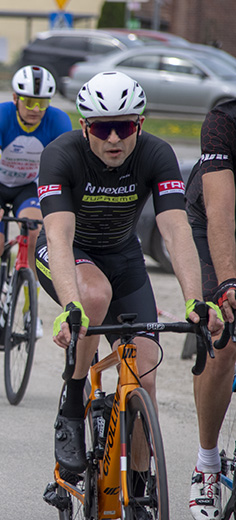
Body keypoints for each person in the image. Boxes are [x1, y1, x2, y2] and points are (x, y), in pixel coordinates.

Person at [34, 71, 222, 484]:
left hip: (124, 258)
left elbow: (175, 230)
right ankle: (72, 399)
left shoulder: (156, 153)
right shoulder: (60, 154)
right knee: (94, 295)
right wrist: (70, 306)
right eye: (103, 128)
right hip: (69, 255)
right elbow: (59, 238)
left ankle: (139, 488)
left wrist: (195, 299)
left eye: (125, 126)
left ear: (140, 124)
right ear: (85, 127)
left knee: (145, 377)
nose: (114, 139)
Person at [0, 65, 71, 357]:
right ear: (15, 98)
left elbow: (66, 172)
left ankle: (30, 310)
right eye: (29, 102)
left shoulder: (58, 121)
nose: (35, 109)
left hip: (29, 187)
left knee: (33, 236)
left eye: (42, 103)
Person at [184, 96, 236, 520]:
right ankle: (207, 466)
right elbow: (220, 212)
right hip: (209, 224)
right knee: (224, 331)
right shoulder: (223, 120)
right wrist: (228, 284)